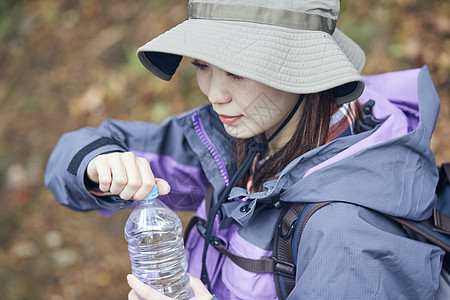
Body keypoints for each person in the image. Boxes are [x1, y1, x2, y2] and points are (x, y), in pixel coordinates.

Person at [45, 0, 444, 299]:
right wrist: (99, 162)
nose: (215, 95)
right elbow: (70, 156)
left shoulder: (347, 236)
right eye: (202, 65)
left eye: (237, 71)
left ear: (306, 72)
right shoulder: (241, 141)